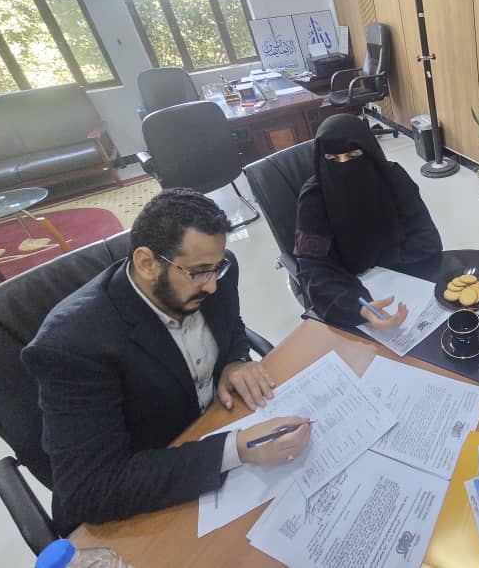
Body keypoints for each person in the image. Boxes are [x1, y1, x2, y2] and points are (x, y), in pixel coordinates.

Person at [22, 189, 312, 533]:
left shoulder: (218, 270)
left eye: (216, 268)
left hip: (215, 427)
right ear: (147, 263)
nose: (212, 286)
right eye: (199, 272)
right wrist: (237, 449)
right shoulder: (72, 343)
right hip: (149, 490)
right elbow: (90, 489)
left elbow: (231, 324)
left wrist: (235, 359)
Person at [293, 114, 443, 329]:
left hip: (405, 281)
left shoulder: (393, 178)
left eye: (353, 156)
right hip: (348, 290)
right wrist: (358, 307)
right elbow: (312, 267)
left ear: (370, 152)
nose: (344, 166)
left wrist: (378, 262)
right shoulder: (314, 198)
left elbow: (426, 239)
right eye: (333, 159)